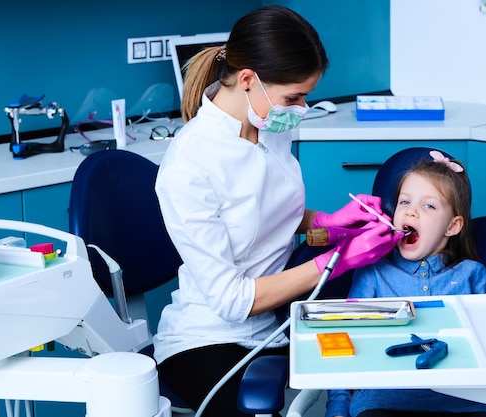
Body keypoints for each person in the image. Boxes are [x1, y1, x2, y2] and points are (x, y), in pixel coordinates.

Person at [152, 6, 402, 417]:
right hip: (209, 337)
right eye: (294, 97)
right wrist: (337, 261)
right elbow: (232, 300)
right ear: (248, 79)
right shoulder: (189, 166)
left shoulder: (270, 124)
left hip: (279, 321)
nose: (301, 108)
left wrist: (329, 224)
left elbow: (272, 219)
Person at [326, 150, 486, 417]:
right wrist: (337, 408)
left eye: (428, 205)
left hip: (467, 400)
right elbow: (344, 346)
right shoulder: (373, 275)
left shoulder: (473, 275)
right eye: (404, 202)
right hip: (385, 401)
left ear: (452, 226)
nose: (412, 212)